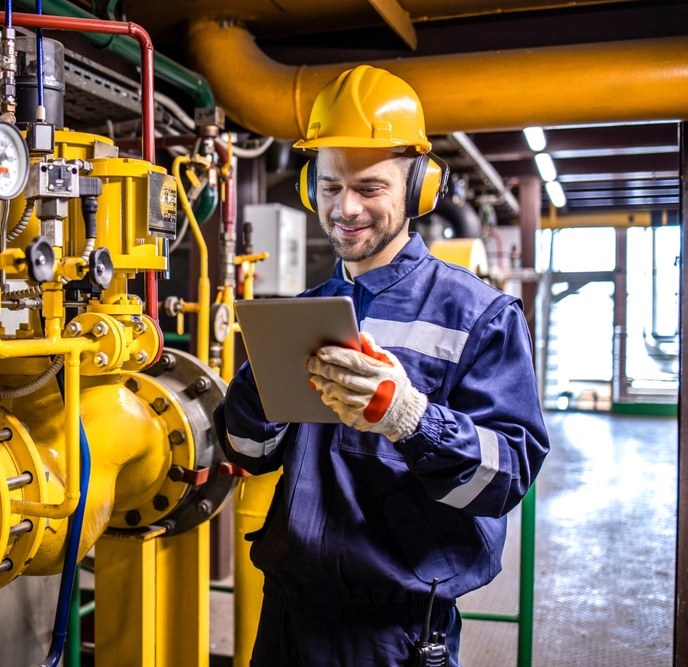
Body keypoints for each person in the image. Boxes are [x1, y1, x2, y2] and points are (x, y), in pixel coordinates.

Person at [215, 66, 550, 666]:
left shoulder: (480, 316)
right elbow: (248, 451)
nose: (345, 208)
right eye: (330, 185)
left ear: (418, 190)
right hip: (287, 621)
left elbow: (505, 478)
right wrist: (259, 385)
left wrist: (410, 418)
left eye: (370, 188)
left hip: (394, 636)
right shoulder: (303, 312)